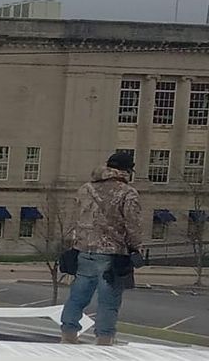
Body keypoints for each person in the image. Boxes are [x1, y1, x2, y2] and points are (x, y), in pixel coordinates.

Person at [60, 148, 145, 346]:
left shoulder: (85, 189)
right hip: (112, 254)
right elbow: (133, 225)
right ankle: (104, 339)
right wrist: (136, 248)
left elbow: (74, 219)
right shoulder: (128, 193)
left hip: (84, 250)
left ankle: (68, 335)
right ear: (127, 170)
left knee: (77, 297)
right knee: (108, 301)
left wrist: (74, 243)